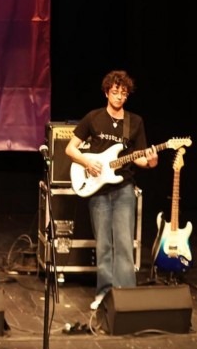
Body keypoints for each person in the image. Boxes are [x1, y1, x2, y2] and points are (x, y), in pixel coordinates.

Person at [65, 70, 157, 310]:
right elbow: (70, 149)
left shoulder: (135, 122)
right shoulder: (93, 117)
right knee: (103, 244)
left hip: (124, 187)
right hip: (97, 189)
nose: (119, 96)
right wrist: (87, 162)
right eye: (115, 92)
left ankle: (126, 297)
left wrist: (152, 160)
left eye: (123, 93)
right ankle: (104, 294)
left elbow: (140, 158)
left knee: (124, 244)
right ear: (107, 92)